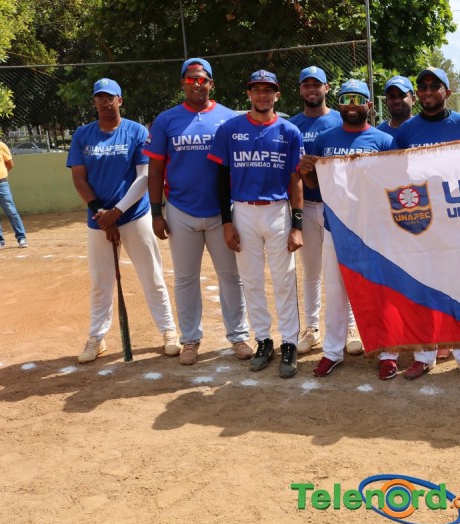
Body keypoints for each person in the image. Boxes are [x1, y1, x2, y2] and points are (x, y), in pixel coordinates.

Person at [144, 58, 252, 366]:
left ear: (211, 84)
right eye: (191, 79)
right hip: (181, 210)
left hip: (222, 213)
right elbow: (156, 168)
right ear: (183, 83)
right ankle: (190, 339)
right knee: (185, 278)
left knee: (231, 276)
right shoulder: (166, 120)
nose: (197, 84)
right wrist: (156, 212)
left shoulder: (229, 118)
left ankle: (239, 336)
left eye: (202, 79)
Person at [67, 78, 179, 363]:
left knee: (152, 275)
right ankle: (96, 337)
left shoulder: (136, 131)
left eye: (110, 98)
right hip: (99, 219)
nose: (105, 103)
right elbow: (79, 178)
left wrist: (116, 212)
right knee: (100, 281)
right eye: (100, 98)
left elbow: (144, 177)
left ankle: (168, 331)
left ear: (120, 100)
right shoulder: (83, 134)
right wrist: (101, 213)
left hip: (134, 215)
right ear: (94, 102)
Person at [297, 80, 397, 378]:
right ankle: (332, 351)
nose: (352, 105)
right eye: (346, 99)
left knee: (379, 290)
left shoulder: (383, 141)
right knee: (336, 290)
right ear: (338, 104)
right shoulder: (324, 139)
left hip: (372, 229)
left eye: (358, 99)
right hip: (335, 226)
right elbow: (315, 184)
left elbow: (392, 185)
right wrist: (306, 172)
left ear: (369, 104)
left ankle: (387, 352)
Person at [208, 70, 304, 379]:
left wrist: (297, 225)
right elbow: (221, 178)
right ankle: (263, 340)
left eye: (268, 90)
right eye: (257, 89)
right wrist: (226, 222)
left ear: (277, 95)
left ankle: (289, 343)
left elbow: (296, 180)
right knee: (251, 280)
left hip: (277, 210)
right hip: (243, 211)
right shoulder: (230, 129)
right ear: (249, 94)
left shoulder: (289, 131)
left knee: (284, 280)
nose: (263, 95)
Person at [395, 66, 460, 382]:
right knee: (422, 290)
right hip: (420, 221)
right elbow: (393, 175)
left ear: (447, 91)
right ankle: (424, 356)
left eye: (435, 86)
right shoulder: (406, 131)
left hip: (457, 221)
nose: (428, 91)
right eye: (422, 86)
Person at [288, 66, 363, 357]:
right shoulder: (294, 125)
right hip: (307, 204)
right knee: (311, 270)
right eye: (306, 85)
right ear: (300, 89)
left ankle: (352, 328)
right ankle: (311, 328)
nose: (311, 89)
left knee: (347, 269)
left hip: (340, 207)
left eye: (316, 84)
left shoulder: (340, 119)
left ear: (327, 88)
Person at [0, 123, 28, 250]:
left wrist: (1, 175)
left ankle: (21, 238)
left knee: (11, 211)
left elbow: (10, 164)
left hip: (1, 185)